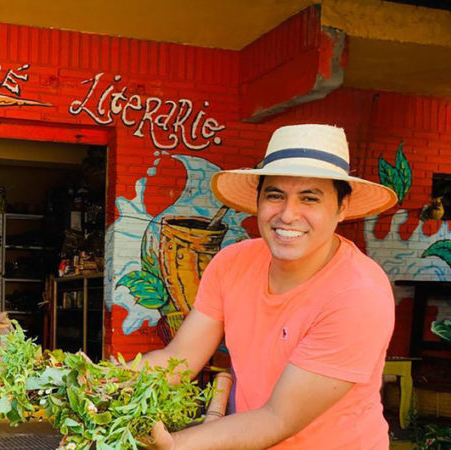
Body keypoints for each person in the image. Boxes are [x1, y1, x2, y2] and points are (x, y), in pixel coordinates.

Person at [143, 124, 398, 449]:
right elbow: (180, 357)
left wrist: (175, 444)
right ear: (259, 200)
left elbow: (276, 418)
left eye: (310, 199)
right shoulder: (232, 264)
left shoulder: (358, 295)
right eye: (275, 195)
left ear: (341, 207)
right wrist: (113, 381)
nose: (288, 215)